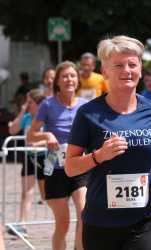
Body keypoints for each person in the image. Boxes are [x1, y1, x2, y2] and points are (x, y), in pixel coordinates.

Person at [65, 35, 151, 250]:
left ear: (140, 70)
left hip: (145, 217)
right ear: (105, 72)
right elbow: (70, 167)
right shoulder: (88, 113)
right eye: (119, 65)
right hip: (100, 221)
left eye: (133, 64)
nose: (127, 70)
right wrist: (99, 156)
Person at [27, 61, 87, 250]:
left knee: (85, 215)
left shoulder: (85, 106)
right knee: (63, 224)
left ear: (78, 80)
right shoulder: (48, 104)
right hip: (54, 168)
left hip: (79, 167)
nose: (69, 79)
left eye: (73, 76)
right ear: (58, 82)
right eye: (65, 76)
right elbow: (31, 135)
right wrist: (47, 135)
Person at [8, 89, 47, 237]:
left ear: (38, 104)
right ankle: (22, 224)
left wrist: (40, 143)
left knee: (47, 196)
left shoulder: (47, 118)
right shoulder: (26, 117)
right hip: (29, 157)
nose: (27, 104)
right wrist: (22, 112)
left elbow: (53, 136)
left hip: (45, 158)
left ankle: (62, 219)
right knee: (27, 192)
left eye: (29, 102)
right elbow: (12, 130)